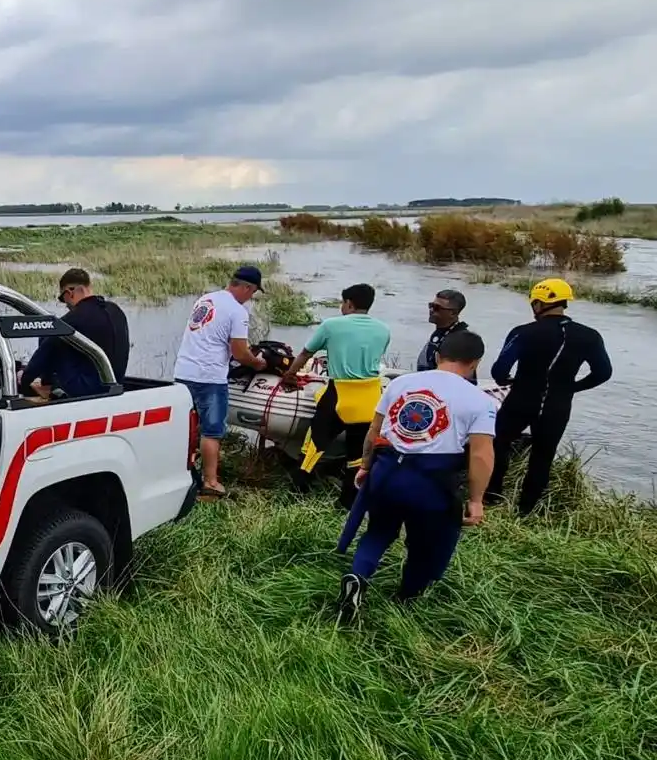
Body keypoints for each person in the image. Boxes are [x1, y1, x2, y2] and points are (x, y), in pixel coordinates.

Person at [337, 328, 495, 622]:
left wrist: (366, 466)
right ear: (475, 363)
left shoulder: (401, 384)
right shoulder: (479, 401)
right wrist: (476, 499)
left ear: (437, 356)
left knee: (379, 531)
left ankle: (357, 576)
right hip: (430, 484)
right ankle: (405, 599)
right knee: (425, 544)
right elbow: (481, 455)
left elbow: (374, 432)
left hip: (387, 473)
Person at [485, 278, 612, 515]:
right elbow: (603, 373)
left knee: (498, 442)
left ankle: (491, 496)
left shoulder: (523, 332)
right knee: (543, 456)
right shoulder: (589, 336)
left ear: (538, 304)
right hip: (557, 404)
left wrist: (508, 381)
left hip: (521, 399)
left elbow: (499, 370)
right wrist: (572, 387)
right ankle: (525, 511)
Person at [280, 283, 391, 508]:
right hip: (370, 395)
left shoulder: (331, 325)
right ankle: (347, 501)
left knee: (315, 444)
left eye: (343, 303)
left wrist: (290, 374)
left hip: (340, 392)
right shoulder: (383, 329)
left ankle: (297, 492)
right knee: (357, 452)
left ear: (349, 303)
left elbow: (306, 353)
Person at [173, 265, 266, 498]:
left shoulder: (205, 299)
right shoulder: (237, 311)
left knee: (186, 428)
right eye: (252, 292)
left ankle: (179, 476)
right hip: (209, 378)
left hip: (183, 372)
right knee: (212, 431)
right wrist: (258, 364)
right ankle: (210, 483)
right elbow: (239, 353)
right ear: (246, 287)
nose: (250, 298)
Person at [19, 268, 130, 398]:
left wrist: (25, 379)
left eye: (62, 298)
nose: (65, 305)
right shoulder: (117, 311)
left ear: (69, 293)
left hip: (86, 390)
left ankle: (46, 383)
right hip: (116, 382)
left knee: (48, 334)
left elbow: (44, 353)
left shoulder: (74, 319)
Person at [418, 289, 476, 384]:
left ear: (453, 313)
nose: (431, 310)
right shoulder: (441, 333)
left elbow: (460, 379)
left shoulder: (461, 341)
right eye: (431, 306)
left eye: (437, 308)